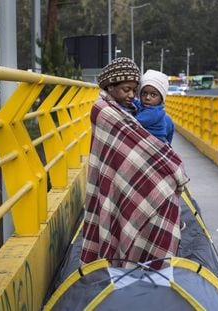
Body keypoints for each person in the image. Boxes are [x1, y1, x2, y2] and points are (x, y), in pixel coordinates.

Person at [80, 57, 189, 270]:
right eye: (127, 90)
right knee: (126, 214)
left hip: (133, 178)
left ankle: (146, 265)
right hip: (119, 181)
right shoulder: (105, 111)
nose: (132, 95)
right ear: (110, 86)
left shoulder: (127, 109)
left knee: (154, 211)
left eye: (133, 90)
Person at [134, 69, 175, 144]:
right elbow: (137, 103)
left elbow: (133, 123)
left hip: (153, 145)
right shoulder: (148, 107)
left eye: (153, 95)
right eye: (144, 93)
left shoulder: (153, 112)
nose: (147, 98)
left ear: (161, 99)